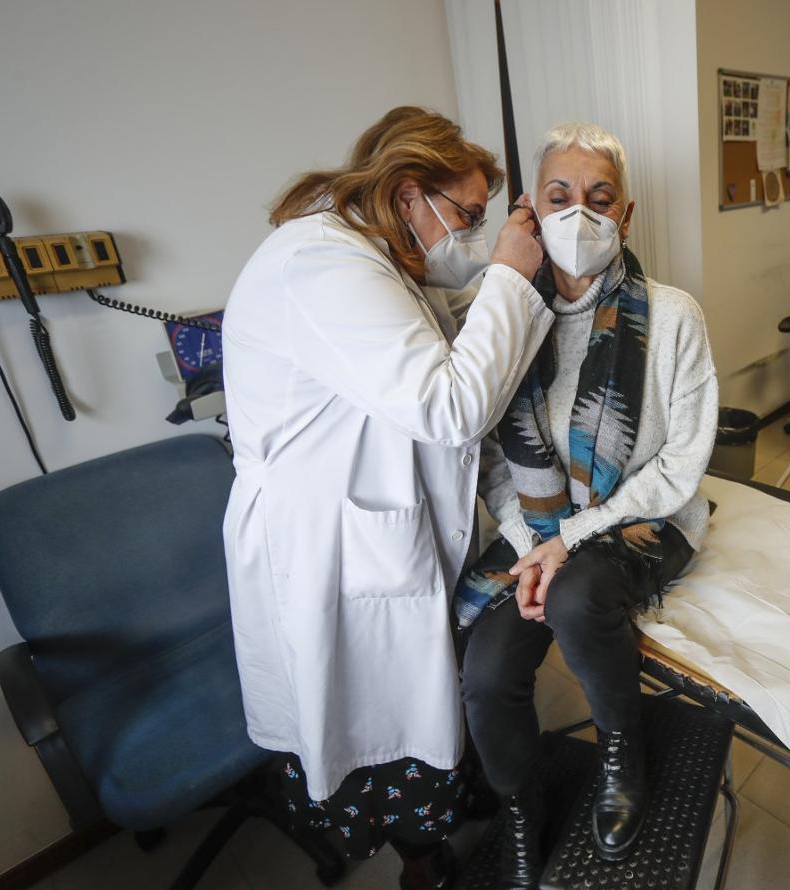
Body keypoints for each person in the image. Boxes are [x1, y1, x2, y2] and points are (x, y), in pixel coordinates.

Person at [221, 106, 552, 890]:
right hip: (328, 541)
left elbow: (431, 352)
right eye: (468, 216)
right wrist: (508, 270)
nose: (470, 234)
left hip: (373, 524)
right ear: (409, 195)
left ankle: (439, 826)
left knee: (425, 700)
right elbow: (448, 404)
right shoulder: (319, 265)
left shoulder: (370, 262)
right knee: (384, 721)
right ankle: (422, 865)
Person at [457, 122, 718, 888]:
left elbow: (680, 464)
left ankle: (620, 750)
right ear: (529, 211)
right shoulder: (500, 317)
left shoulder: (672, 317)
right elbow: (490, 460)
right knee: (486, 663)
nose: (581, 215)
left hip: (641, 518)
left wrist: (565, 540)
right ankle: (517, 801)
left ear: (625, 216)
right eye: (560, 196)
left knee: (574, 598)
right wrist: (530, 536)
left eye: (600, 199)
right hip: (532, 527)